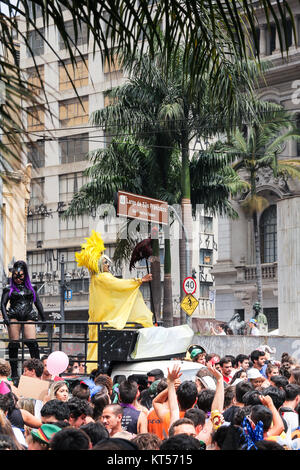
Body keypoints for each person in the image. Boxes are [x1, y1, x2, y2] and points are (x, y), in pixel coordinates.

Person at [75, 231, 154, 373]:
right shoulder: (103, 278)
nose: (108, 266)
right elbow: (118, 285)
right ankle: (94, 368)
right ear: (100, 265)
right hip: (103, 319)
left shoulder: (97, 279)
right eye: (106, 263)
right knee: (98, 344)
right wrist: (140, 280)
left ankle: (93, 367)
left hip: (99, 318)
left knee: (96, 343)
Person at [1, 260, 46, 379]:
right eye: (15, 276)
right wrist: (5, 317)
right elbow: (2, 304)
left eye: (20, 276)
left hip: (29, 315)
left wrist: (44, 318)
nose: (18, 279)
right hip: (14, 315)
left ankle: (36, 371)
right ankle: (15, 373)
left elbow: (38, 303)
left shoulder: (32, 288)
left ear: (25, 275)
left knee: (32, 343)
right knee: (14, 344)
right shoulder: (8, 289)